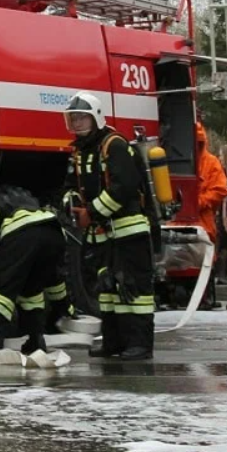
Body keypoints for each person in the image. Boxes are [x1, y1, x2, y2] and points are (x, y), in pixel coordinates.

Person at [63, 91, 155, 361]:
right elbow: (70, 187)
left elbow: (124, 186)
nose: (77, 123)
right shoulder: (79, 152)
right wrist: (71, 206)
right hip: (103, 233)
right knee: (108, 289)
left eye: (82, 118)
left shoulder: (114, 145)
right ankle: (113, 343)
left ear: (96, 118)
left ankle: (139, 345)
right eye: (73, 118)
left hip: (128, 231)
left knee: (134, 290)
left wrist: (91, 213)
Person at [0, 185, 69, 354]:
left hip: (24, 234)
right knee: (32, 290)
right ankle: (36, 340)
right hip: (55, 233)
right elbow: (55, 279)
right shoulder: (31, 205)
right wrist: (64, 308)